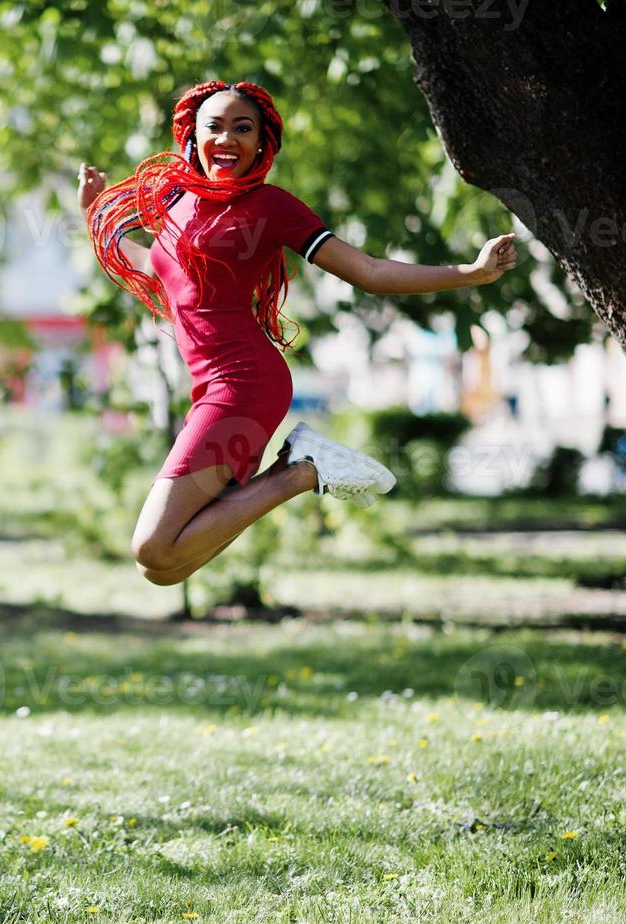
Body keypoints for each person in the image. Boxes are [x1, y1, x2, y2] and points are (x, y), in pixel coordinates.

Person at [78, 79, 516, 586]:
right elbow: (162, 273)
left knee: (152, 545)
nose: (227, 139)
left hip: (244, 386)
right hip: (214, 387)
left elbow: (369, 272)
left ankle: (303, 470)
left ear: (262, 144)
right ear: (192, 137)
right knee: (162, 568)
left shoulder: (272, 207)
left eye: (243, 129)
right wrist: (92, 214)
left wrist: (470, 273)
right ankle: (300, 465)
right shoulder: (176, 204)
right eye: (214, 127)